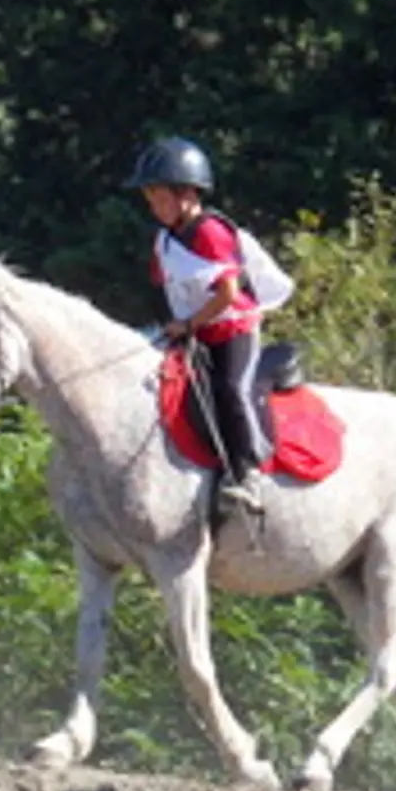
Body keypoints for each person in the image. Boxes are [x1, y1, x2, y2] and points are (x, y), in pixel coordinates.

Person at [124, 135, 281, 517]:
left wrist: (188, 324)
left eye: (160, 198)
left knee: (230, 389)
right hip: (195, 330)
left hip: (232, 329)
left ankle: (248, 476)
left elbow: (227, 293)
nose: (155, 208)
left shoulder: (211, 232)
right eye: (151, 200)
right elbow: (166, 288)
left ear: (187, 195)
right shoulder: (166, 239)